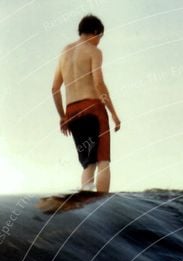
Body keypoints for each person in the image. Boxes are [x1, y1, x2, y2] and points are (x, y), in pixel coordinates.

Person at [51, 15, 121, 193]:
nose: (99, 42)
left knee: (88, 163)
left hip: (72, 111)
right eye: (100, 38)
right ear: (96, 32)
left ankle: (87, 202)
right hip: (93, 109)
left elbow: (54, 89)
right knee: (103, 160)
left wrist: (62, 117)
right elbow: (99, 83)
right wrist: (113, 113)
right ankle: (102, 205)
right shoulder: (93, 51)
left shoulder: (64, 52)